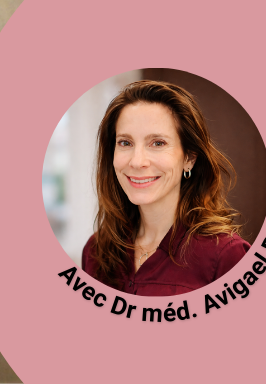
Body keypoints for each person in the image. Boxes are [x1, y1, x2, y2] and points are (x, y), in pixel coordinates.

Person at [81, 80, 249, 296]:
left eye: (158, 143)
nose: (137, 161)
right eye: (125, 143)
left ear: (189, 158)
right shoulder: (96, 250)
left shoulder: (227, 256)